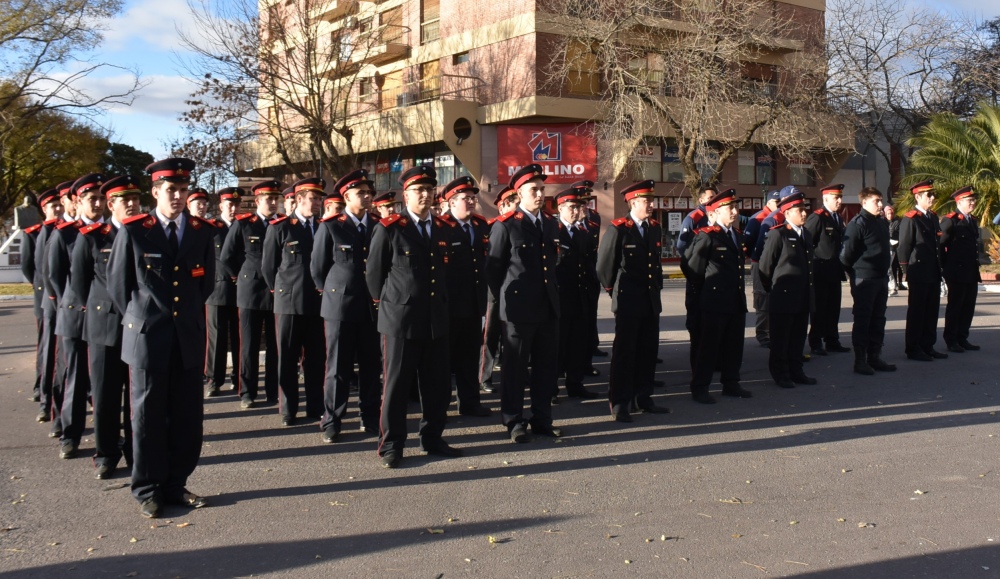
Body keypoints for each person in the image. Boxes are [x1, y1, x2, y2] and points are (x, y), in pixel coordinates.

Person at [107, 157, 215, 518]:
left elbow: (206, 284)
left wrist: (183, 319)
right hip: (148, 338)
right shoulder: (135, 230)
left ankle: (175, 484)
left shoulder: (200, 230)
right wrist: (144, 321)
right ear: (155, 192)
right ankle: (147, 488)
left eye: (184, 190)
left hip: (186, 336)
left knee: (186, 415)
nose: (179, 196)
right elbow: (120, 287)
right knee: (147, 417)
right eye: (171, 190)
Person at [366, 165, 461, 468]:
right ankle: (392, 444)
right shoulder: (390, 227)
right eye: (418, 190)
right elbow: (374, 275)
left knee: (437, 384)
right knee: (396, 385)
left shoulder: (445, 227)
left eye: (429, 190)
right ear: (405, 195)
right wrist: (392, 305)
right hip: (401, 319)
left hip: (436, 318)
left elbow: (448, 274)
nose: (425, 195)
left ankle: (432, 437)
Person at [485, 164, 563, 443]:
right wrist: (508, 300)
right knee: (515, 369)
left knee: (545, 368)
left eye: (542, 189)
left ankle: (542, 418)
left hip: (547, 307)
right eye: (534, 190)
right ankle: (513, 420)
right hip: (518, 310)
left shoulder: (552, 223)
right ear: (519, 194)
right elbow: (494, 271)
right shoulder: (506, 225)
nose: (540, 194)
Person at [73, 175, 141, 478]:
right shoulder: (92, 237)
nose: (131, 205)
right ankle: (107, 453)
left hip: (139, 327)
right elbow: (79, 284)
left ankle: (137, 453)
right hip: (104, 327)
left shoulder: (145, 235)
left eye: (135, 199)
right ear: (111, 204)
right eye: (124, 200)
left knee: (137, 398)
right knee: (105, 395)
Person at [311, 169, 382, 443]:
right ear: (346, 196)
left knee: (370, 365)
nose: (366, 197)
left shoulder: (377, 225)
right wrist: (332, 293)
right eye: (360, 193)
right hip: (340, 306)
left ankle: (369, 417)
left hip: (370, 306)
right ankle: (332, 419)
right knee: (338, 367)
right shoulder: (331, 225)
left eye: (368, 193)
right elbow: (318, 269)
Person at [596, 180, 669, 421]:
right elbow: (605, 266)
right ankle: (620, 403)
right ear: (633, 202)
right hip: (628, 301)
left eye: (651, 201)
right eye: (646, 201)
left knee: (647, 351)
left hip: (649, 300)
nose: (651, 205)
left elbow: (655, 265)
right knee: (625, 354)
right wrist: (613, 290)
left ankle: (644, 398)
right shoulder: (619, 229)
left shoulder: (654, 228)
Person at [49, 173, 106, 459]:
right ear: (78, 201)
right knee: (75, 377)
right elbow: (56, 277)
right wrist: (74, 303)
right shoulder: (65, 233)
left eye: (100, 198)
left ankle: (106, 437)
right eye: (91, 199)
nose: (97, 203)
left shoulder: (113, 233)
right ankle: (70, 435)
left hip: (104, 319)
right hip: (74, 315)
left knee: (103, 381)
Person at [262, 177, 326, 426]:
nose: (318, 203)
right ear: (299, 200)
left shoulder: (323, 227)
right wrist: (282, 292)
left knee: (316, 357)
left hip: (317, 302)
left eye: (320, 198)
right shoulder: (280, 227)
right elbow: (269, 269)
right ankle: (288, 409)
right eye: (313, 198)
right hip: (288, 303)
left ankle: (315, 405)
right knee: (287, 357)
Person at [684, 189, 752, 404]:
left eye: (735, 207)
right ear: (715, 211)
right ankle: (700, 387)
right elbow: (692, 268)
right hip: (714, 302)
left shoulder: (736, 235)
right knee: (709, 347)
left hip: (734, 299)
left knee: (734, 346)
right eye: (729, 208)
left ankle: (731, 383)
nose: (734, 212)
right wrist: (704, 292)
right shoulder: (707, 235)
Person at [220, 180, 282, 408]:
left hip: (277, 292)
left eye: (276, 199)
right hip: (250, 292)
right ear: (257, 201)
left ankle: (272, 391)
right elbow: (227, 257)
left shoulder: (282, 224)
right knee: (249, 345)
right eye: (269, 199)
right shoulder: (244, 224)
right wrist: (243, 277)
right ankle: (247, 392)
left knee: (275, 345)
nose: (274, 203)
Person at [439, 176, 493, 416]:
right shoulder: (441, 226)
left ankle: (470, 403)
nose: (471, 202)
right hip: (448, 304)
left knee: (470, 356)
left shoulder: (481, 226)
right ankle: (439, 407)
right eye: (465, 198)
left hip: (474, 302)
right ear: (451, 202)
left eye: (473, 198)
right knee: (443, 359)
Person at [758, 190, 816, 388]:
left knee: (798, 337)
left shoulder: (806, 234)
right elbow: (765, 267)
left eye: (804, 209)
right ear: (787, 212)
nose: (804, 213)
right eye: (799, 210)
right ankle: (781, 373)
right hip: (783, 296)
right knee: (781, 339)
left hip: (802, 296)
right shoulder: (778, 234)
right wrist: (774, 289)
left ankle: (796, 370)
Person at [840, 187, 896, 374]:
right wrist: (855, 273)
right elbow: (846, 255)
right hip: (864, 279)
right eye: (876, 201)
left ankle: (875, 356)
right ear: (864, 202)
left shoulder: (880, 223)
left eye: (881, 201)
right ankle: (860, 360)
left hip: (880, 278)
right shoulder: (857, 223)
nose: (880, 205)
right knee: (863, 320)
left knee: (878, 319)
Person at [552, 186, 599, 403]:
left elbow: (589, 264)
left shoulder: (584, 232)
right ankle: (550, 388)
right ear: (560, 208)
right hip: (560, 298)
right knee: (556, 346)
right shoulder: (552, 231)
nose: (575, 211)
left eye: (578, 207)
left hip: (580, 297)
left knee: (578, 344)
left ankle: (575, 383)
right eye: (571, 207)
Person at [898, 180, 947, 361]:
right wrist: (905, 270)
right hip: (918, 271)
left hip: (933, 271)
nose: (933, 198)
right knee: (917, 311)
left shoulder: (933, 217)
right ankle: (913, 347)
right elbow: (904, 246)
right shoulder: (911, 218)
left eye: (933, 194)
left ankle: (928, 345)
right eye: (929, 195)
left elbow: (936, 246)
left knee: (932, 310)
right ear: (918, 197)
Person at [478, 186, 518, 395]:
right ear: (502, 206)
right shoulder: (495, 226)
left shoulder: (522, 226)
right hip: (496, 290)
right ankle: (484, 377)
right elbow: (493, 264)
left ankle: (511, 372)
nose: (517, 208)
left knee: (511, 335)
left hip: (515, 291)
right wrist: (496, 291)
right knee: (490, 335)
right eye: (513, 204)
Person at [204, 188, 242, 398]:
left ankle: (238, 377)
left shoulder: (244, 226)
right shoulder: (211, 228)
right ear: (221, 206)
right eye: (229, 204)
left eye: (236, 204)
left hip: (240, 291)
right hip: (217, 289)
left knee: (239, 337)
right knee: (216, 338)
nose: (233, 208)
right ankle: (214, 380)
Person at [804, 184, 849, 356]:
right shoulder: (818, 217)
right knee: (819, 310)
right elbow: (808, 244)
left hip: (834, 270)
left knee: (833, 309)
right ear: (826, 199)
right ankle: (816, 342)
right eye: (836, 198)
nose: (839, 201)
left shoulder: (837, 218)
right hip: (820, 271)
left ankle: (832, 340)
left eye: (840, 197)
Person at [32, 188, 64, 428]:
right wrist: (52, 298)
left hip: (65, 302)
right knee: (50, 355)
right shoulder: (47, 230)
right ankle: (46, 402)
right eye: (54, 205)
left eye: (61, 204)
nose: (59, 209)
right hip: (51, 303)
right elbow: (42, 270)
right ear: (45, 208)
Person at [753, 187, 797, 348]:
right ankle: (763, 334)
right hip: (764, 262)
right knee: (763, 300)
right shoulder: (771, 219)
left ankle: (777, 334)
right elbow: (759, 248)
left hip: (781, 266)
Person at [939, 185, 981, 353]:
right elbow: (942, 246)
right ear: (959, 202)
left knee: (968, 306)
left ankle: (962, 337)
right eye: (970, 200)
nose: (973, 203)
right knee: (956, 306)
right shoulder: (950, 220)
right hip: (956, 271)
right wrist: (945, 268)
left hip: (970, 270)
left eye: (973, 200)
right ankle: (951, 340)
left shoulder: (972, 220)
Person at [744, 190, 780, 348]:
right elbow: (748, 242)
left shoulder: (780, 217)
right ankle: (762, 333)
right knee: (762, 298)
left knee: (773, 298)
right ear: (769, 202)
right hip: (759, 262)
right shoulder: (758, 218)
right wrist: (756, 259)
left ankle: (773, 331)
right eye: (776, 202)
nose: (778, 205)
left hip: (775, 263)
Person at [884, 205, 904, 295]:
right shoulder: (883, 221)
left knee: (890, 267)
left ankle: (893, 287)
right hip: (885, 246)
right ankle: (891, 286)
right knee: (887, 268)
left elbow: (898, 233)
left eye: (891, 213)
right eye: (888, 214)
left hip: (894, 246)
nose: (889, 215)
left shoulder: (897, 222)